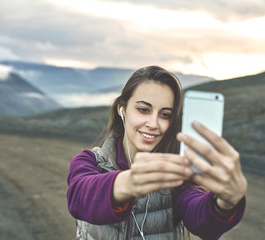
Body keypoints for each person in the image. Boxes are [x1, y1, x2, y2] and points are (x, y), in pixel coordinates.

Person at [67, 66, 247, 240]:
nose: (153, 123)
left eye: (165, 114)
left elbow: (202, 220)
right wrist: (129, 182)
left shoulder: (177, 174)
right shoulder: (90, 161)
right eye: (143, 110)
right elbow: (79, 199)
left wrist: (225, 204)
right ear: (122, 108)